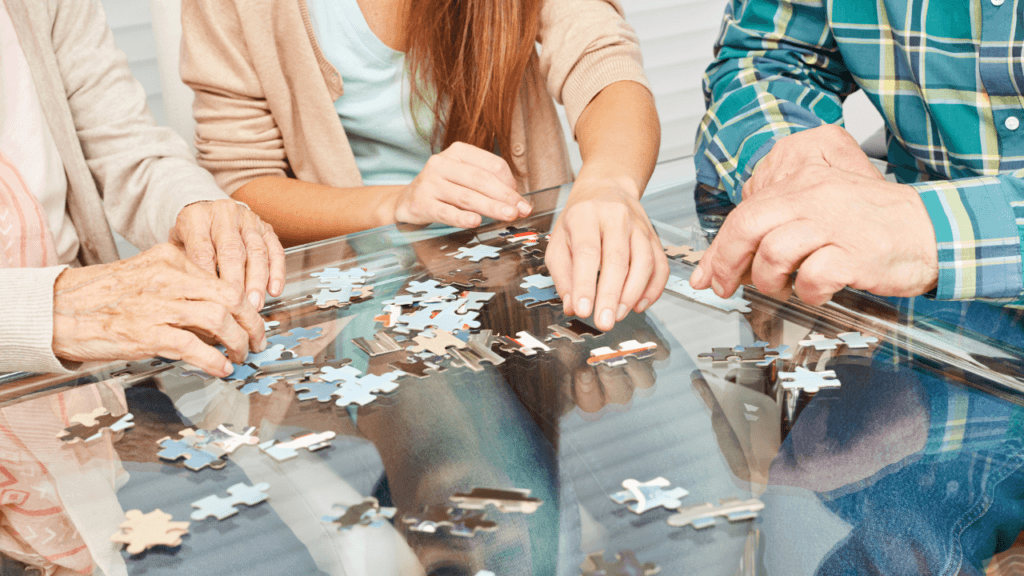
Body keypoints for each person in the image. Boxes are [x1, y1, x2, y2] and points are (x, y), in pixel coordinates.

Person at [180, 0, 669, 333]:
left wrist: (609, 184)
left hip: (523, 273)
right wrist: (398, 201)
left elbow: (602, 58)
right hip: (353, 295)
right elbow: (242, 181)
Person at [0, 0, 285, 378]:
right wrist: (49, 309)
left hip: (93, 365)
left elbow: (127, 147)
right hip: (76, 330)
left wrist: (197, 207)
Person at [690, 0, 1024, 309]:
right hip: (905, 306)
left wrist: (929, 231)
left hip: (901, 257)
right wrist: (795, 164)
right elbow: (770, 55)